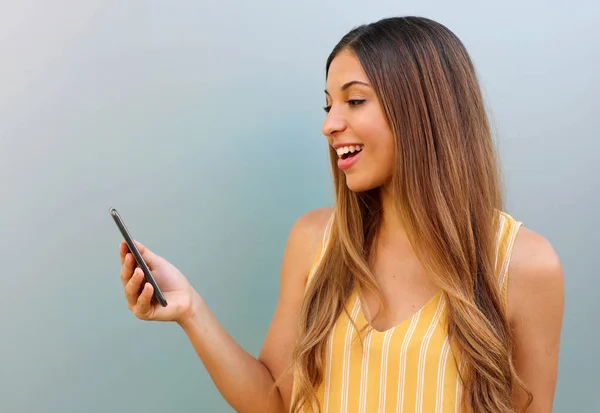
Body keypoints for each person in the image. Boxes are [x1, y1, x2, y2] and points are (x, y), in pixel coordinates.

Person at [118, 16, 564, 413]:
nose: (329, 123)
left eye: (354, 101)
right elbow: (273, 402)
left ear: (423, 110)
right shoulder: (316, 241)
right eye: (328, 104)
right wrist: (190, 309)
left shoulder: (523, 265)